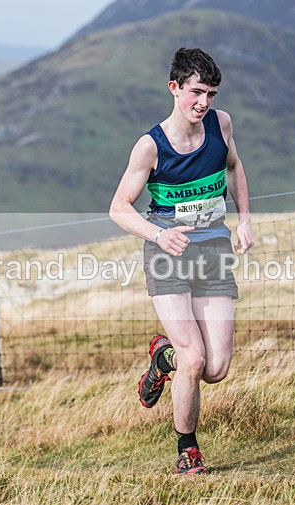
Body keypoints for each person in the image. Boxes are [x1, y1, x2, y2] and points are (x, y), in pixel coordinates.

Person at [109, 47, 254, 475]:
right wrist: (159, 234)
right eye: (195, 92)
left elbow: (235, 167)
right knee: (193, 359)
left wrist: (245, 221)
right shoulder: (149, 147)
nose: (203, 102)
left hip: (213, 255)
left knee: (216, 368)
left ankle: (162, 358)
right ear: (174, 88)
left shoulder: (221, 124)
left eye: (210, 93)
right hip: (167, 255)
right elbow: (119, 207)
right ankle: (187, 451)